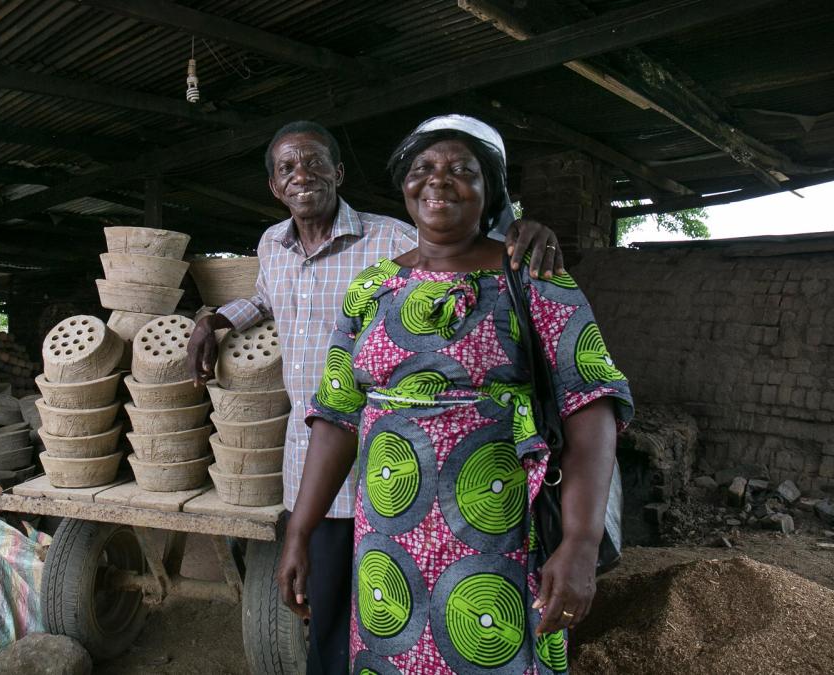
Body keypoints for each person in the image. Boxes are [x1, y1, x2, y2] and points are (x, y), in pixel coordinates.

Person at [187, 120, 563, 674]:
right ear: (274, 186)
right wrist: (213, 319)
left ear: (338, 173)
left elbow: (461, 242)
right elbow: (264, 297)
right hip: (313, 455)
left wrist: (525, 232)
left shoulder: (390, 240)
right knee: (329, 613)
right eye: (287, 168)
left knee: (396, 610)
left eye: (314, 162)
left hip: (391, 465)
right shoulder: (272, 245)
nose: (301, 175)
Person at [274, 114, 634, 674]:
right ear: (405, 185)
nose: (438, 180)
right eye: (422, 168)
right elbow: (337, 416)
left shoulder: (534, 279)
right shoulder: (372, 289)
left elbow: (591, 405)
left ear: (491, 191)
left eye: (463, 170)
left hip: (498, 535)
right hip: (387, 548)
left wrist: (581, 542)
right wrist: (300, 529)